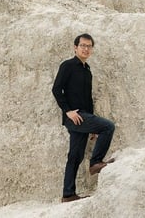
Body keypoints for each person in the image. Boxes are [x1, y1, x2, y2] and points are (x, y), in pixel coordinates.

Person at [51, 33, 116, 203]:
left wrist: (93, 124)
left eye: (89, 46)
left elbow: (88, 99)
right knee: (108, 126)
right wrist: (68, 111)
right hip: (74, 117)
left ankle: (68, 194)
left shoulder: (87, 70)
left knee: (75, 156)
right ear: (75, 47)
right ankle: (95, 162)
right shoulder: (67, 65)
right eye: (83, 45)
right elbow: (56, 89)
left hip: (84, 118)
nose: (86, 49)